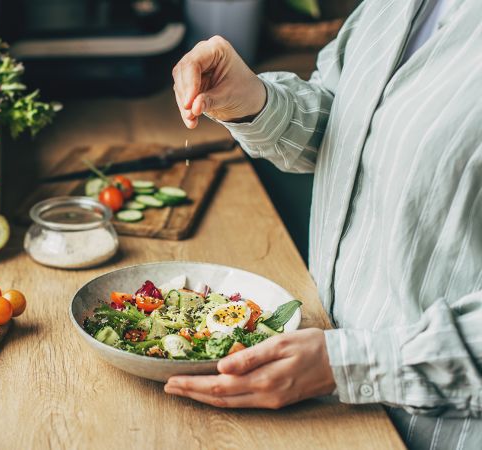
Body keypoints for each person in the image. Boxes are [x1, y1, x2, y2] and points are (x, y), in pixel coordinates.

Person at [166, 0, 481, 448]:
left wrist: (349, 364)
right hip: (323, 394)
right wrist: (253, 99)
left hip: (434, 429)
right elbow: (350, 125)